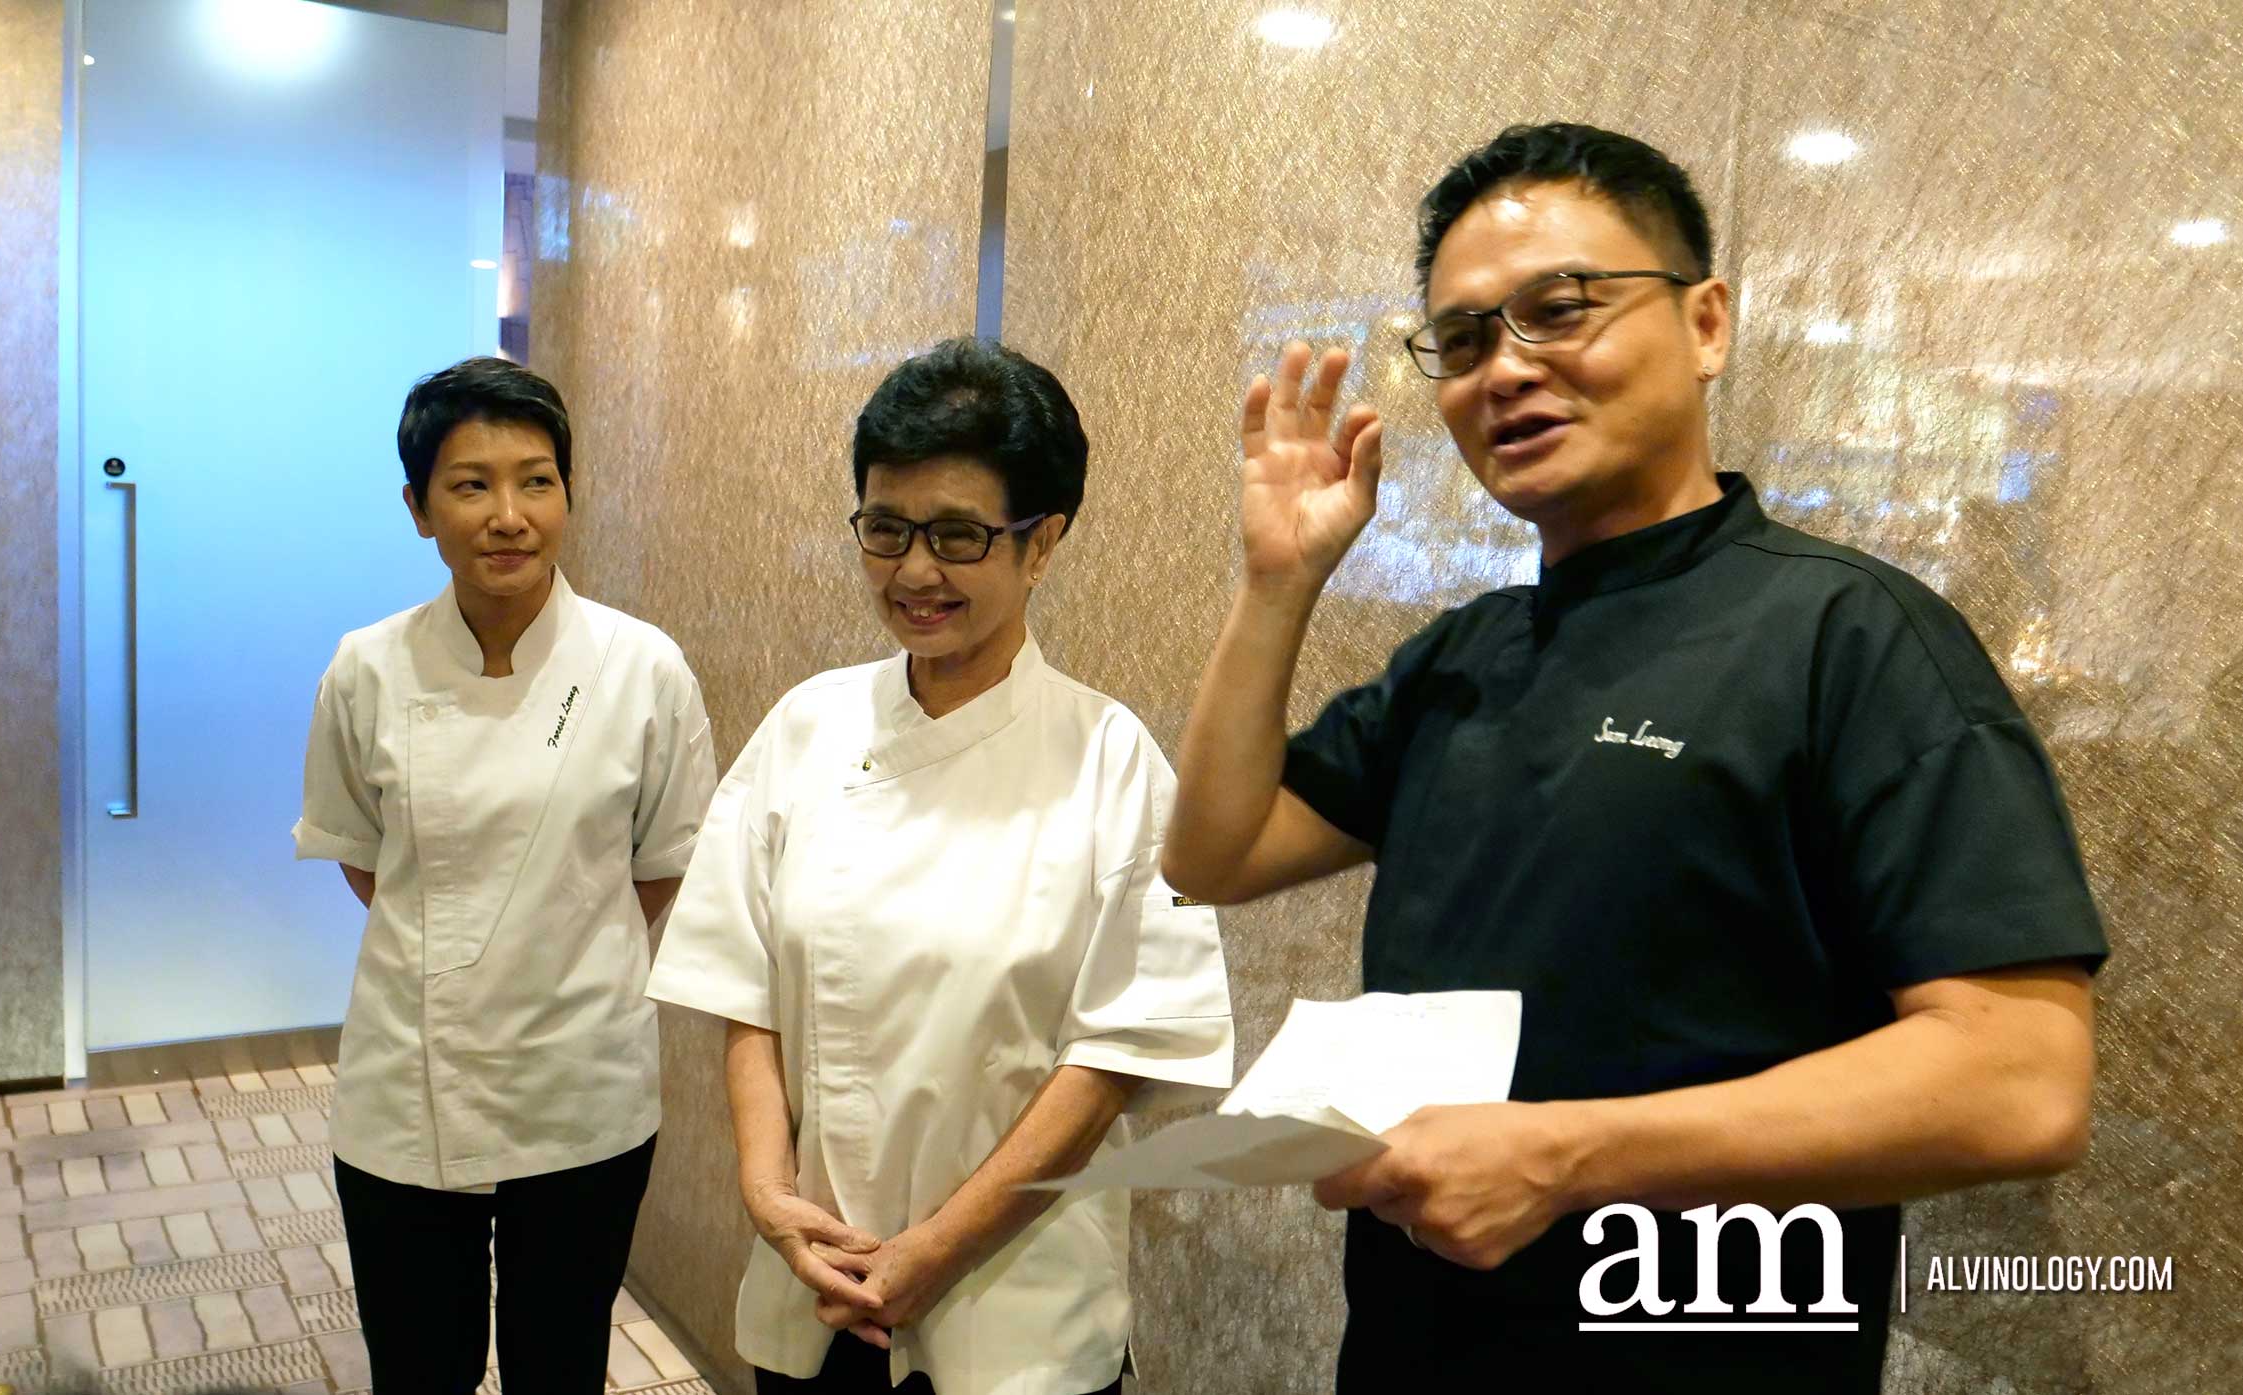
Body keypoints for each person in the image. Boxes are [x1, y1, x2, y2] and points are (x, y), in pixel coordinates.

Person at [1162, 123, 2107, 1391]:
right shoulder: (1466, 653)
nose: (1504, 370)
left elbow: (2020, 1081)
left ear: (1706, 324)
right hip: (1415, 1349)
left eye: (1561, 309)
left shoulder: (1852, 636)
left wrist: (1563, 1156)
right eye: (1462, 340)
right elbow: (1217, 853)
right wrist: (1277, 584)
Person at [646, 338, 1234, 1395]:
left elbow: (1112, 1060)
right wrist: (765, 1189)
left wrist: (937, 1250)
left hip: (1012, 1313)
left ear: (1041, 544)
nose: (915, 571)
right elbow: (743, 990)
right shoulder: (806, 726)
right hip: (812, 1284)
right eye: (886, 528)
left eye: (960, 535)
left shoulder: (1111, 763)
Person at [293, 356, 717, 1393]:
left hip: (581, 1084)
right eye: (470, 485)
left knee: (560, 1367)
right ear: (419, 509)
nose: (508, 515)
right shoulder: (367, 668)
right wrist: (462, 937)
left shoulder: (643, 667)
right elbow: (366, 860)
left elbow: (660, 868)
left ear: (569, 495)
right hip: (407, 1085)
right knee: (419, 1369)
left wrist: (551, 941)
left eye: (537, 480)